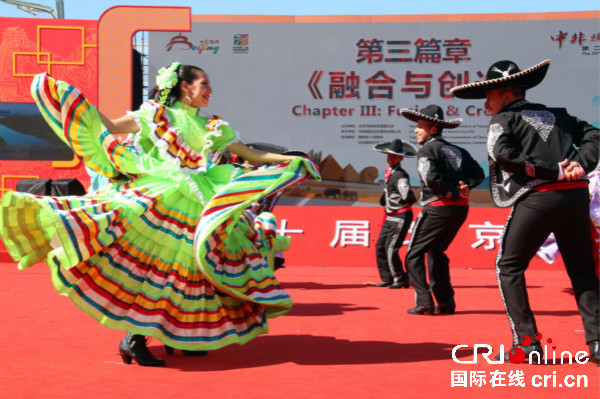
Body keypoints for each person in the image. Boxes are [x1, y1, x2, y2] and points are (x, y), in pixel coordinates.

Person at [0, 62, 320, 367]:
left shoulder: (213, 126)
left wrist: (293, 160)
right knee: (158, 272)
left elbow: (249, 154)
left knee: (191, 273)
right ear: (185, 86)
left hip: (202, 200)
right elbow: (109, 126)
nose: (209, 89)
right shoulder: (155, 115)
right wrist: (76, 102)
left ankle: (177, 337)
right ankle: (135, 338)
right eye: (204, 83)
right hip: (164, 197)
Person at [451, 59, 600, 364]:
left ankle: (528, 344)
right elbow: (595, 136)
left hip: (539, 198)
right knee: (582, 269)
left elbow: (502, 155)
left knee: (508, 266)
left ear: (506, 93)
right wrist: (580, 164)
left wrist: (549, 172)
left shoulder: (503, 119)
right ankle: (597, 344)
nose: (486, 105)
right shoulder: (559, 115)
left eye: (489, 97)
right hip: (575, 198)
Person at [399, 105, 485, 315]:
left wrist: (452, 193)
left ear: (434, 127)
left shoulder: (426, 151)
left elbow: (431, 178)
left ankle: (425, 301)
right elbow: (479, 173)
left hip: (438, 208)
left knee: (413, 255)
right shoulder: (458, 150)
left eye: (420, 125)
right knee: (436, 252)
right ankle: (446, 301)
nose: (416, 130)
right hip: (459, 211)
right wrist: (464, 188)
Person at [372, 139, 418, 288]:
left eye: (393, 156)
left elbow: (408, 197)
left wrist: (397, 202)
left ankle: (401, 278)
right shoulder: (390, 173)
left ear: (401, 158)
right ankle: (388, 278)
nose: (389, 159)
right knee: (380, 246)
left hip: (400, 216)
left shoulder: (400, 175)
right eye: (388, 155)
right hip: (391, 216)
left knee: (391, 247)